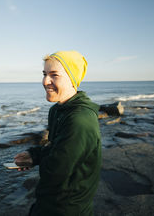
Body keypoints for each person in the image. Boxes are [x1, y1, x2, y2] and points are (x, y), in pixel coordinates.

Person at [14, 50, 102, 216]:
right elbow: (54, 147)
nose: (45, 81)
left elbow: (55, 172)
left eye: (54, 75)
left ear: (73, 79)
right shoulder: (57, 110)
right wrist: (34, 155)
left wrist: (38, 160)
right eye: (44, 74)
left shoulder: (80, 120)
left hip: (67, 208)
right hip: (48, 203)